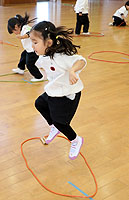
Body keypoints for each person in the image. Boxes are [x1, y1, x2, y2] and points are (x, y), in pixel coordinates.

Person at [29, 21, 86, 160]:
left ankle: (75, 140)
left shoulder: (62, 56)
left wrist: (72, 70)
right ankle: (53, 126)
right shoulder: (45, 55)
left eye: (35, 42)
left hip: (68, 94)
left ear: (48, 43)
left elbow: (81, 61)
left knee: (61, 122)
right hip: (55, 90)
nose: (32, 46)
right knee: (39, 103)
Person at [7, 13, 44, 82]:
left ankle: (39, 76)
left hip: (34, 50)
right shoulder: (21, 28)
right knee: (23, 56)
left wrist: (21, 37)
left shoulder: (25, 28)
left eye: (14, 31)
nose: (15, 33)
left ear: (16, 27)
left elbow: (29, 33)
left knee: (30, 64)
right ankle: (21, 69)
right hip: (28, 49)